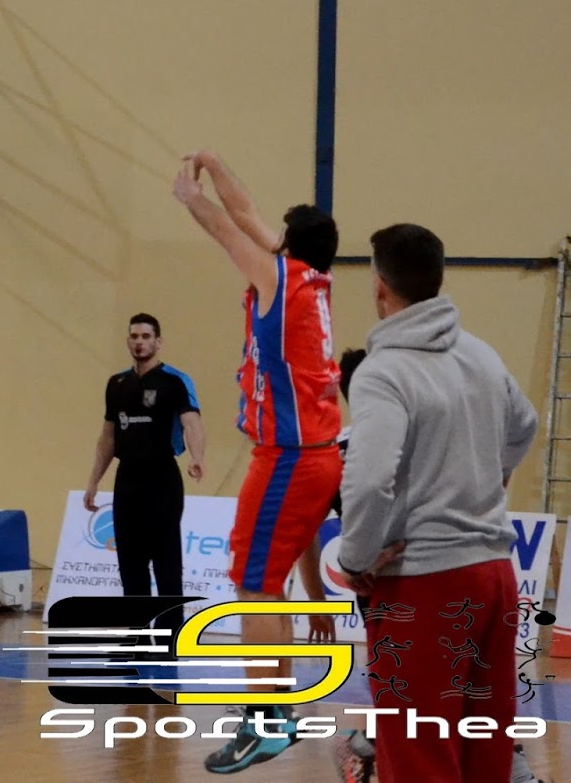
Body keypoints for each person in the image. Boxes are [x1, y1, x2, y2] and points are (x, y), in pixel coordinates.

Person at [337, 224, 538, 783]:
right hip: (495, 578)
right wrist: (489, 481)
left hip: (424, 581)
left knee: (419, 755)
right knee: (485, 752)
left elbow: (369, 480)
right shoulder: (481, 355)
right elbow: (525, 426)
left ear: (379, 286)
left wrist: (355, 560)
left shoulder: (383, 371)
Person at [171, 152, 344, 773]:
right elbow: (245, 215)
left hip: (290, 458)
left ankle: (266, 720)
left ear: (288, 245)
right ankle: (277, 712)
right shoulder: (312, 278)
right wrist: (214, 164)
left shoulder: (283, 282)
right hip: (310, 454)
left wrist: (191, 196)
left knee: (253, 586)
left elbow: (227, 229)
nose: (267, 235)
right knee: (265, 583)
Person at [84, 313, 205, 651]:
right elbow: (108, 437)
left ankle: (169, 640)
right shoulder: (117, 384)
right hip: (127, 482)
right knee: (130, 565)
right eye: (134, 336)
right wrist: (94, 481)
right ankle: (134, 637)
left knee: (166, 564)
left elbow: (192, 423)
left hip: (162, 479)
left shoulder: (174, 381)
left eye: (146, 336)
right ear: (128, 341)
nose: (139, 342)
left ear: (158, 342)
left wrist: (197, 457)